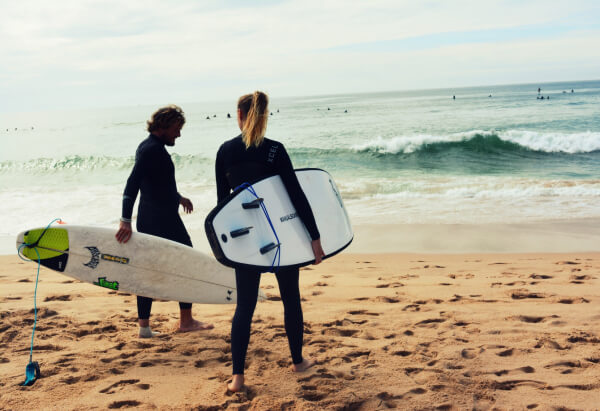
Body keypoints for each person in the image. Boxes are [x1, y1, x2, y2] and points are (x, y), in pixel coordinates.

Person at [214, 91, 325, 392]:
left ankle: (237, 377)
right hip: (281, 237)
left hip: (246, 240)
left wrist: (227, 248)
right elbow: (295, 196)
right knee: (290, 298)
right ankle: (298, 362)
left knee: (245, 306)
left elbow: (222, 206)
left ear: (239, 115)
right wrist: (314, 237)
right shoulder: (275, 151)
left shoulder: (224, 151)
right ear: (264, 116)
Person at [115, 105, 213, 338]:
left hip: (156, 218)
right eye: (177, 129)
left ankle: (145, 327)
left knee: (147, 269)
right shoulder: (152, 150)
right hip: (162, 221)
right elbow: (132, 184)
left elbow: (156, 184)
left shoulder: (150, 147)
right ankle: (186, 321)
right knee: (186, 261)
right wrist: (125, 220)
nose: (178, 134)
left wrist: (178, 198)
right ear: (164, 125)